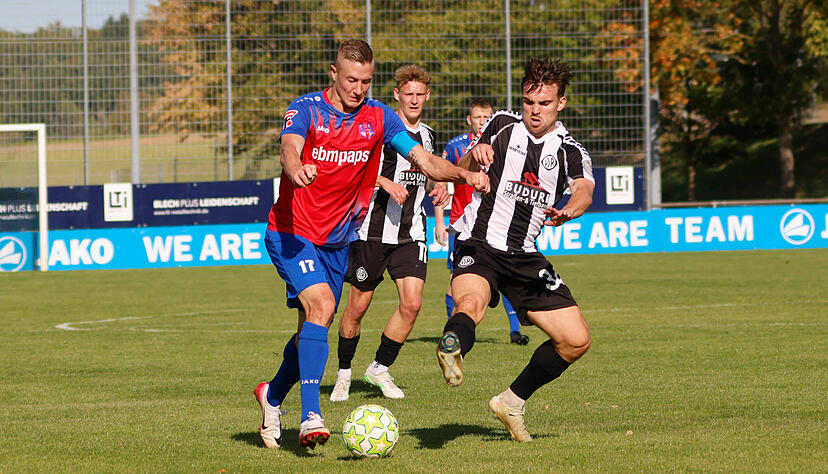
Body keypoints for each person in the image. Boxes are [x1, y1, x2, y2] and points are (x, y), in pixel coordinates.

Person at [254, 40, 489, 450]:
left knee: (312, 328)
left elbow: (424, 160)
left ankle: (271, 396)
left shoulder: (379, 117)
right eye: (351, 79)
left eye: (366, 81)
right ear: (334, 73)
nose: (358, 88)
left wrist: (462, 175)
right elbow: (289, 148)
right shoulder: (306, 109)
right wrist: (296, 169)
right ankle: (311, 417)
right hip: (292, 231)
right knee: (322, 307)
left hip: (337, 240)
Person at [435, 58, 594, 442]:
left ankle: (511, 401)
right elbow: (465, 168)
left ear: (561, 103)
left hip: (524, 254)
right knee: (469, 304)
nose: (534, 110)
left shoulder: (570, 150)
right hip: (479, 241)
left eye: (544, 103)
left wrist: (569, 210)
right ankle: (451, 346)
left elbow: (584, 190)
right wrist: (476, 154)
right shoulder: (502, 123)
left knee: (576, 340)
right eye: (528, 102)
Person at [329, 64, 447, 402]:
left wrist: (438, 187)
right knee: (357, 309)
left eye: (419, 94)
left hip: (412, 233)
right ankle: (344, 373)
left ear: (427, 96)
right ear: (397, 94)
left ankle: (379, 368)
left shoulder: (428, 135)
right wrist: (385, 183)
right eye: (408, 94)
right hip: (372, 232)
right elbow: (355, 169)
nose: (414, 100)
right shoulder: (379, 130)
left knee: (412, 304)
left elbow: (428, 173)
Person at [435, 98, 530, 345]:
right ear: (469, 120)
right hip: (462, 224)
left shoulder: (504, 142)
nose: (482, 122)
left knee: (506, 276)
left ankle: (515, 331)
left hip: (494, 223)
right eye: (478, 117)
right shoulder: (456, 146)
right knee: (457, 280)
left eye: (487, 118)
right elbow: (442, 178)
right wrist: (439, 220)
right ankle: (453, 331)